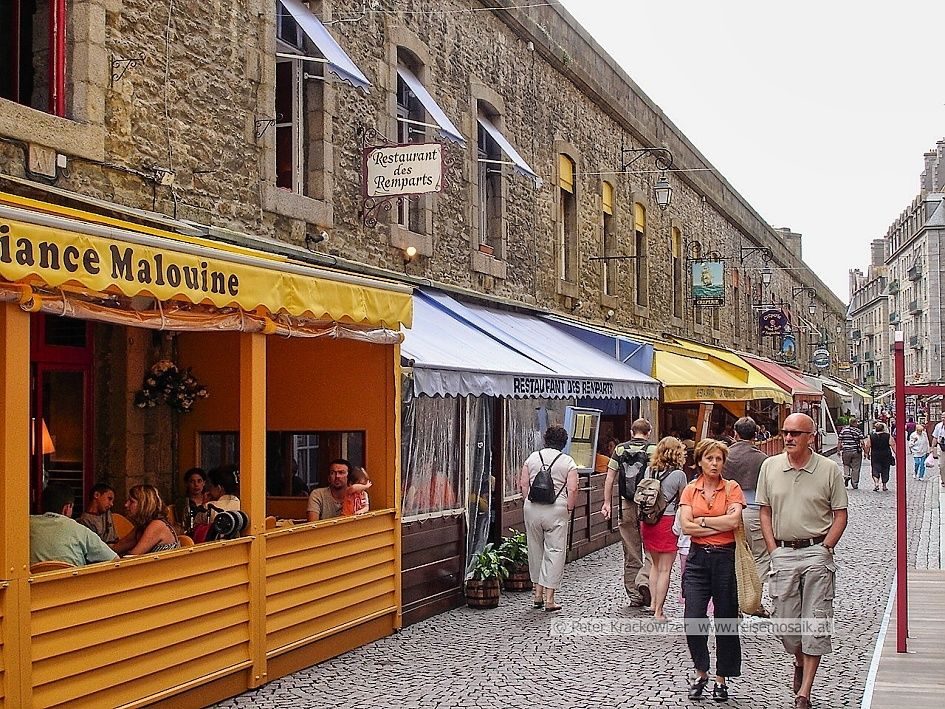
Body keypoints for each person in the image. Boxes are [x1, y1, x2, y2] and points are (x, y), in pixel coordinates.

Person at [757, 413, 848, 709]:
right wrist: (773, 550)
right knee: (785, 624)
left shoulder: (829, 469)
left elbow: (840, 514)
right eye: (785, 432)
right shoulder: (770, 466)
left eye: (796, 433)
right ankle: (798, 660)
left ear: (811, 437)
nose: (788, 438)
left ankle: (804, 693)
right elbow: (765, 511)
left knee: (815, 621)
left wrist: (826, 548)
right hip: (783, 552)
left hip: (816, 552)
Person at [678, 439, 746, 701]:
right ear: (700, 461)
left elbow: (733, 520)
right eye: (710, 459)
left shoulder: (732, 488)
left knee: (726, 619)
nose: (715, 463)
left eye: (719, 459)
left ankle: (722, 677)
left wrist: (702, 520)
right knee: (693, 617)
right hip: (697, 559)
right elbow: (686, 526)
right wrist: (716, 524)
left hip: (724, 557)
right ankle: (701, 671)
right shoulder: (690, 490)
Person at [519, 424, 578, 612]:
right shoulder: (568, 462)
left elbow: (523, 484)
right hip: (556, 509)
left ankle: (537, 594)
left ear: (545, 440)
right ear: (563, 443)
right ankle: (550, 599)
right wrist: (568, 507)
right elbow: (573, 488)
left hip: (532, 508)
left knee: (535, 549)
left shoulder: (532, 458)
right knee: (555, 551)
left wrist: (528, 502)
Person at [602, 418, 657, 607]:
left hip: (626, 504)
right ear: (648, 432)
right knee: (651, 548)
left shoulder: (619, 450)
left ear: (632, 432)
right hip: (648, 504)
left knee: (631, 550)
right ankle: (646, 582)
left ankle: (634, 595)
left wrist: (607, 503)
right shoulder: (653, 450)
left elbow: (609, 478)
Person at [639, 436, 688, 622]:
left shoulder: (649, 470)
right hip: (667, 522)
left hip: (649, 521)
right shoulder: (679, 475)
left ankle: (652, 604)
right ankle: (659, 611)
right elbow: (683, 502)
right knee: (666, 569)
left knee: (654, 565)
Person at [724, 416, 770, 590]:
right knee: (760, 555)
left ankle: (735, 597)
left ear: (735, 434)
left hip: (727, 511)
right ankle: (754, 598)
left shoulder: (725, 455)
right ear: (755, 435)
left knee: (733, 556)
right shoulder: (763, 458)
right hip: (754, 510)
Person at [30, 483, 118, 566]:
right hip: (73, 581)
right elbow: (114, 559)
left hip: (34, 581)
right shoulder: (80, 530)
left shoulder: (27, 525)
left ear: (40, 506)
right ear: (67, 508)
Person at [113, 485, 180, 556]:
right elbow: (117, 548)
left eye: (131, 501)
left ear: (144, 505)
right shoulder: (142, 526)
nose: (126, 504)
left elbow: (132, 557)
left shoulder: (157, 525)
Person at [837, 417, 869, 489]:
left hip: (846, 451)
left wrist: (838, 450)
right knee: (856, 467)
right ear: (854, 423)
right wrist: (865, 452)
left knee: (846, 464)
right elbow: (862, 442)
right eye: (856, 422)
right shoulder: (858, 431)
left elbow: (839, 441)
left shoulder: (844, 430)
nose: (857, 424)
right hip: (856, 451)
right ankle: (855, 483)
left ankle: (846, 475)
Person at [175, 467, 209, 534]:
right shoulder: (181, 502)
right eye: (192, 481)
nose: (196, 485)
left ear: (204, 483)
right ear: (187, 484)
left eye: (199, 481)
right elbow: (182, 522)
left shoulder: (210, 499)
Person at [869, 421, 894, 492]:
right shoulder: (888, 436)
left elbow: (868, 445)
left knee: (875, 468)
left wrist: (866, 453)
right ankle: (884, 485)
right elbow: (893, 444)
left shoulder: (871, 436)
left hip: (875, 454)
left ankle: (876, 483)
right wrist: (897, 454)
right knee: (885, 469)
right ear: (883, 429)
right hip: (886, 454)